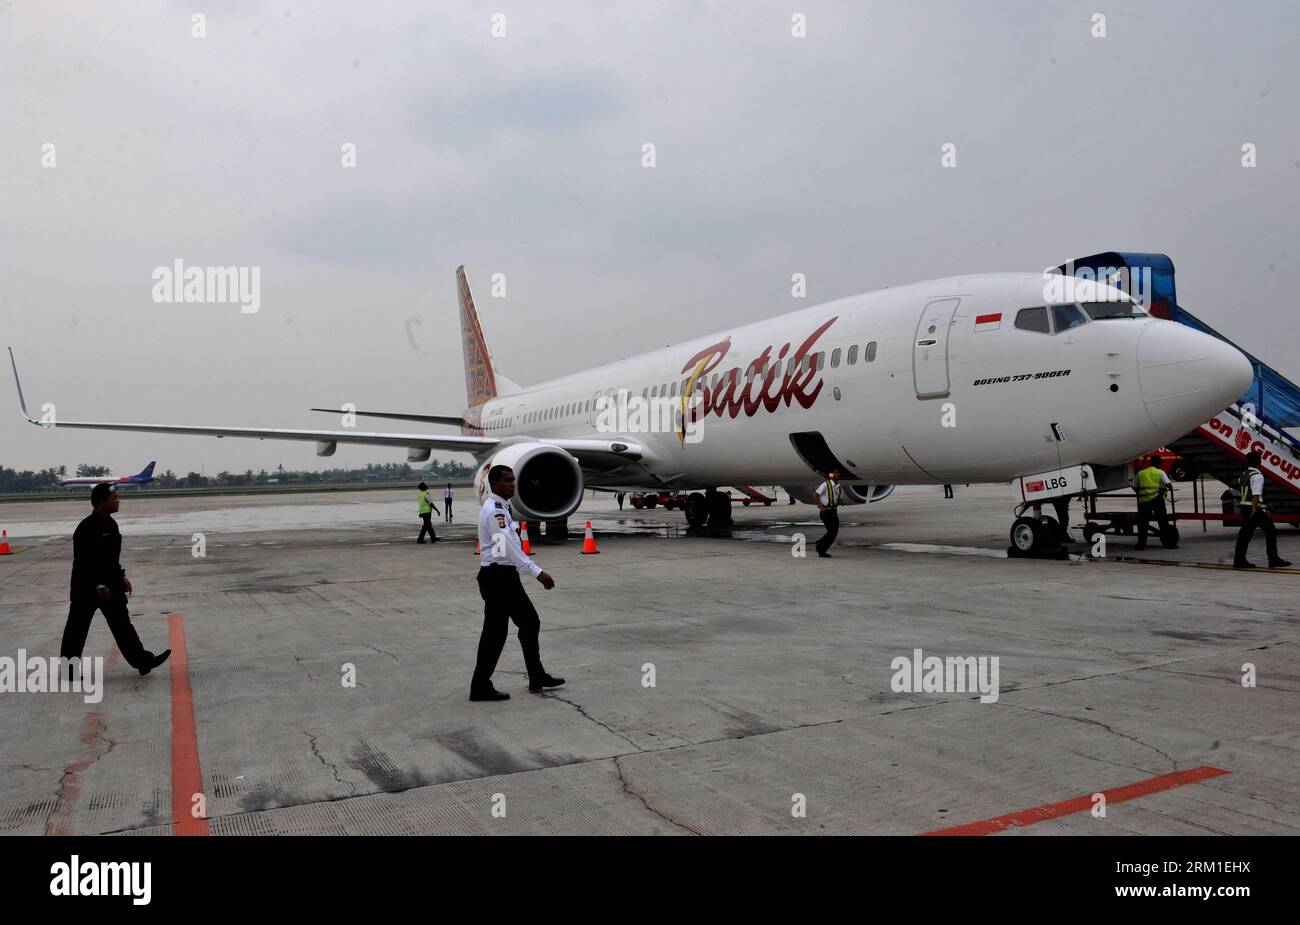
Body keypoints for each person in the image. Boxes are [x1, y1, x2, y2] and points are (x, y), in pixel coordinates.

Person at [471, 465, 565, 701]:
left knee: (529, 623)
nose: (512, 483)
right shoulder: (495, 512)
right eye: (507, 480)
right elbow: (508, 547)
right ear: (495, 484)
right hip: (497, 579)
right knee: (496, 633)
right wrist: (537, 571)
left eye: (513, 479)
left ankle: (536, 676)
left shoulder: (503, 507)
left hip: (504, 577)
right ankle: (481, 686)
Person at [61, 484, 170, 677]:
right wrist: (99, 585)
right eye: (115, 497)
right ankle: (69, 669)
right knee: (76, 629)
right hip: (86, 588)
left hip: (110, 585)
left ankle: (143, 661)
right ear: (103, 502)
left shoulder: (111, 525)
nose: (118, 500)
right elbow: (85, 562)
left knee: (123, 625)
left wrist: (121, 577)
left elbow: (111, 559)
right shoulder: (86, 528)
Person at [1234, 450, 1291, 569]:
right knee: (1271, 532)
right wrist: (1255, 509)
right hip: (1254, 510)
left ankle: (1239, 560)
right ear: (1259, 462)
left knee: (1244, 535)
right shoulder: (1257, 476)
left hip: (1245, 507)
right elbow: (1255, 495)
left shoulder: (1244, 474)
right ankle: (1273, 559)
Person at [1133, 453, 1176, 550]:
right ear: (1159, 463)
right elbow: (1169, 485)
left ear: (1150, 463)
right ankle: (1169, 543)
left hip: (1143, 500)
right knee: (1163, 522)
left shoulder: (1140, 473)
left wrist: (1142, 494)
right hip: (1157, 499)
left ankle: (1141, 545)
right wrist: (1164, 489)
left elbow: (1135, 487)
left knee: (1143, 524)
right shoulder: (1160, 472)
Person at [814, 470, 842, 558]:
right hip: (826, 511)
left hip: (833, 511)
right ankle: (821, 549)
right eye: (836, 472)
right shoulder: (826, 485)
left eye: (838, 472)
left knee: (834, 531)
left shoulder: (838, 486)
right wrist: (820, 506)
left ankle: (821, 543)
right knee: (832, 531)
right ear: (832, 475)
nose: (838, 474)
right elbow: (815, 494)